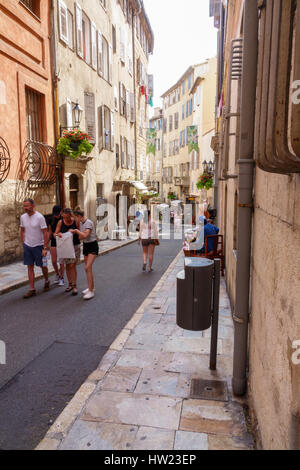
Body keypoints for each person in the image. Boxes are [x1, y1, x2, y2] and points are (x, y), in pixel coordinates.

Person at [20, 198, 50, 298]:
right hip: (28, 245)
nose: (25, 208)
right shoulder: (23, 217)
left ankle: (46, 280)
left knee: (43, 266)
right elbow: (22, 230)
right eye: (24, 206)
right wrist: (23, 243)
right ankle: (32, 289)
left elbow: (45, 232)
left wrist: (45, 248)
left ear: (33, 206)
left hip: (39, 246)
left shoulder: (40, 217)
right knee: (30, 267)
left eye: (27, 206)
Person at [72, 209, 98, 300]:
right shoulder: (81, 224)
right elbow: (80, 237)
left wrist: (76, 231)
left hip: (92, 246)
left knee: (87, 267)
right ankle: (91, 287)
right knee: (87, 268)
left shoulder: (88, 223)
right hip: (86, 246)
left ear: (79, 216)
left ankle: (91, 292)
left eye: (74, 217)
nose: (74, 219)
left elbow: (85, 235)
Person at [54, 208, 80, 296]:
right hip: (66, 247)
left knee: (73, 265)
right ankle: (70, 284)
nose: (66, 219)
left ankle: (75, 285)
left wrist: (74, 231)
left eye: (67, 218)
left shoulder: (75, 221)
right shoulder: (60, 222)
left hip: (75, 246)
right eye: (64, 217)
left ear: (70, 215)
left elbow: (80, 232)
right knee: (68, 266)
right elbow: (55, 234)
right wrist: (59, 234)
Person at [48, 205, 64, 286]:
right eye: (55, 213)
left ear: (61, 212)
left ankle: (62, 278)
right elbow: (50, 231)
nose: (56, 215)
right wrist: (46, 242)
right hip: (53, 241)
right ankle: (57, 274)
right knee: (54, 261)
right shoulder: (51, 219)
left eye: (58, 213)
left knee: (61, 261)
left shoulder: (63, 219)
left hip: (62, 240)